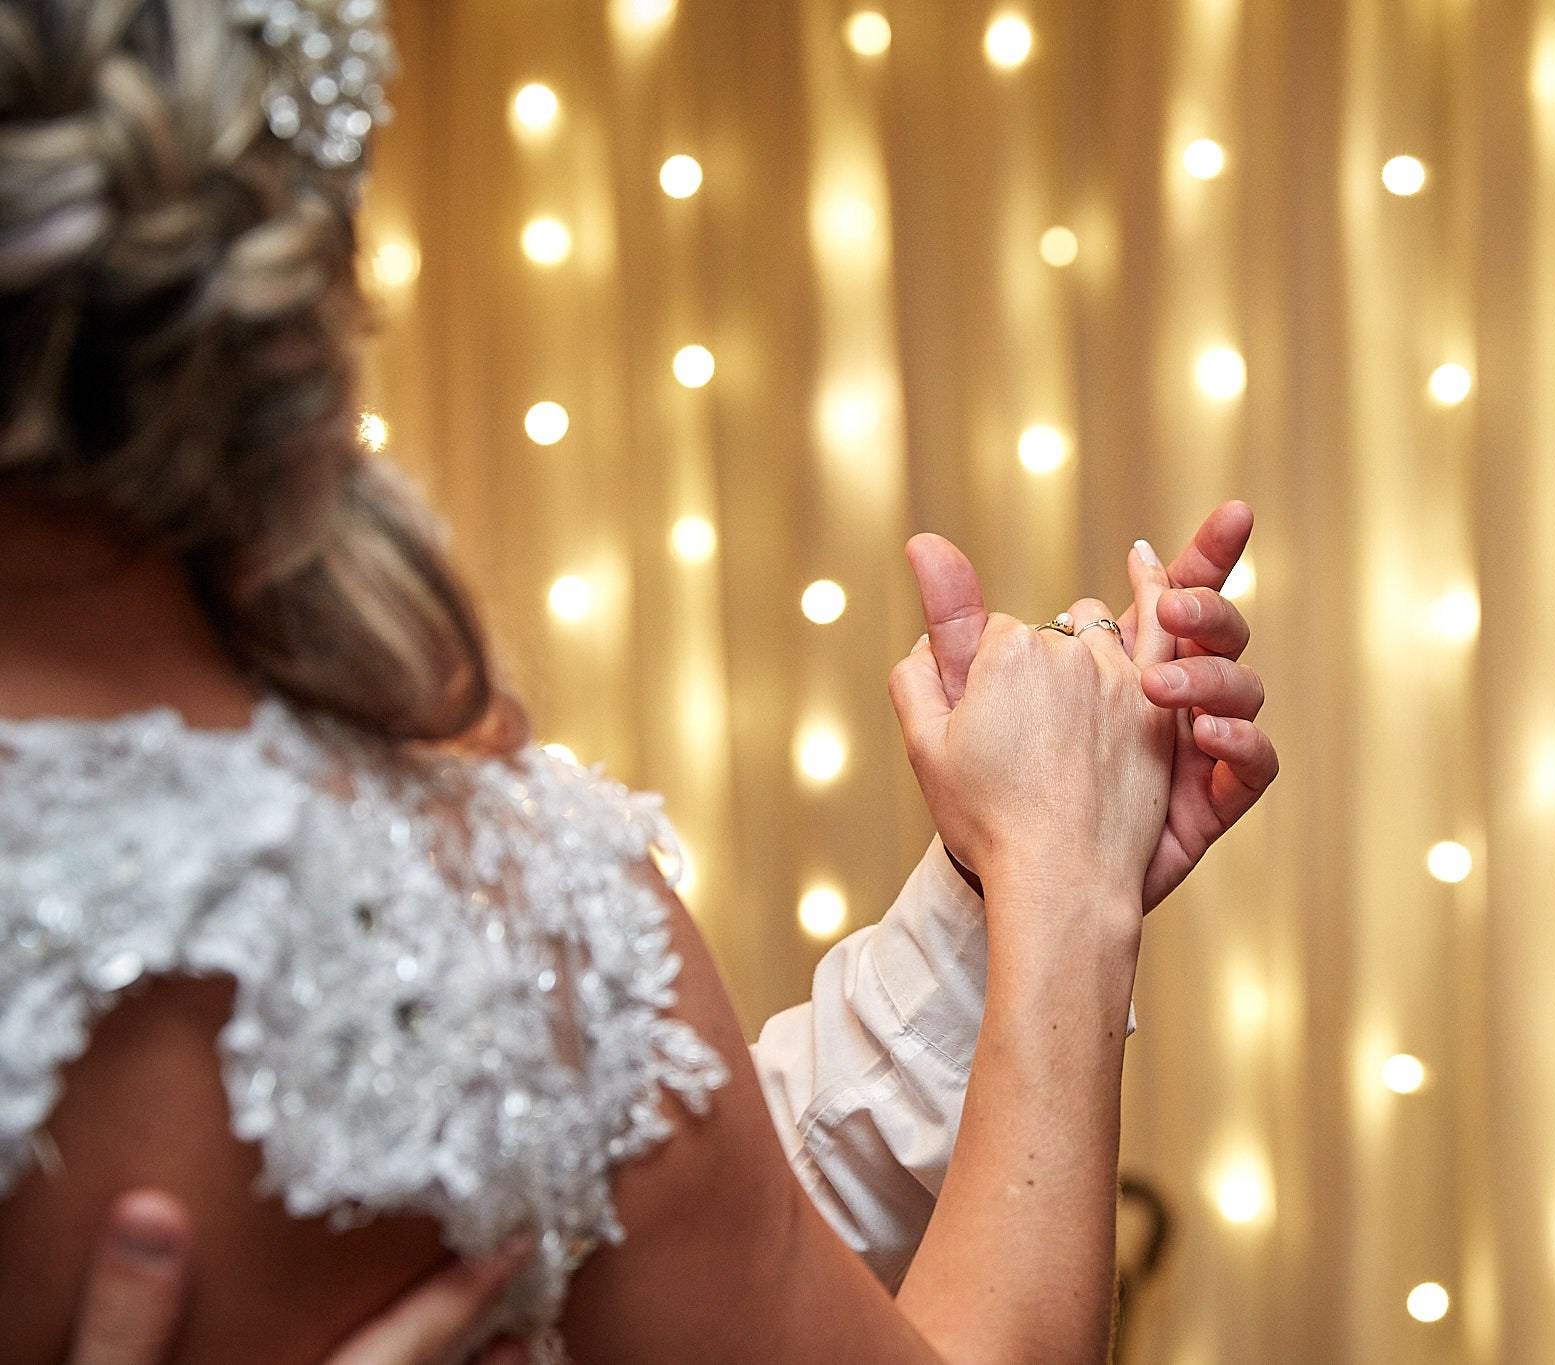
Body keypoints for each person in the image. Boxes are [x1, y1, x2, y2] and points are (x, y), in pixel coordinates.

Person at [0, 2, 1278, 1359]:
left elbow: (682, 1265)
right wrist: (1065, 885)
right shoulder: (498, 919)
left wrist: (993, 901)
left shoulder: (492, 924)